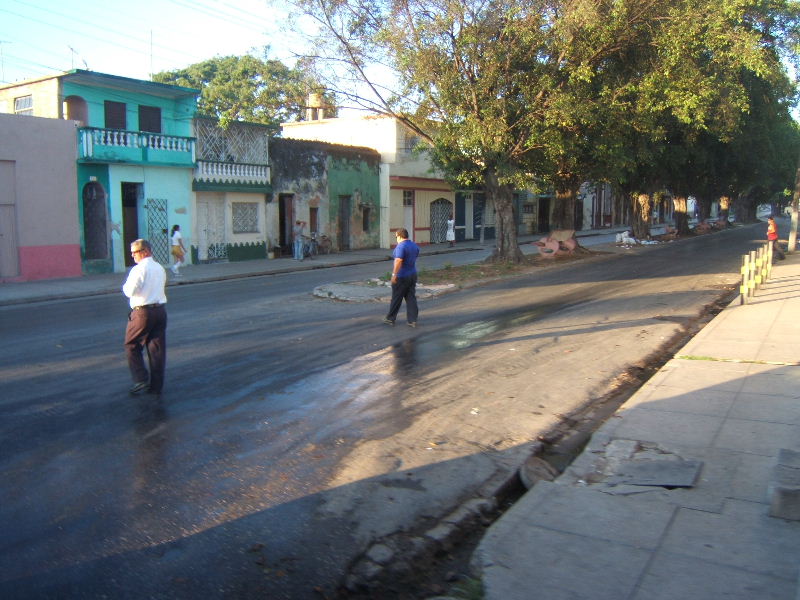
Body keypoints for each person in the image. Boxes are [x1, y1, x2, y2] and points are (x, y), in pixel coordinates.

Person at [123, 239, 168, 396]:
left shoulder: (139, 269)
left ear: (145, 251)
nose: (133, 256)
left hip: (142, 312)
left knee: (131, 344)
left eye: (135, 252)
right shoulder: (159, 268)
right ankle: (156, 386)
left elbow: (129, 291)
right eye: (132, 253)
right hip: (160, 311)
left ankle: (140, 378)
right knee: (156, 349)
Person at [383, 228, 420, 328]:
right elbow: (415, 257)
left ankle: (390, 318)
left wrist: (394, 275)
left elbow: (398, 261)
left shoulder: (401, 246)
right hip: (412, 274)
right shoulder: (414, 245)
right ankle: (412, 320)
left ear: (399, 236)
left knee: (396, 297)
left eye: (396, 237)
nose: (396, 239)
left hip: (402, 276)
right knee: (410, 297)